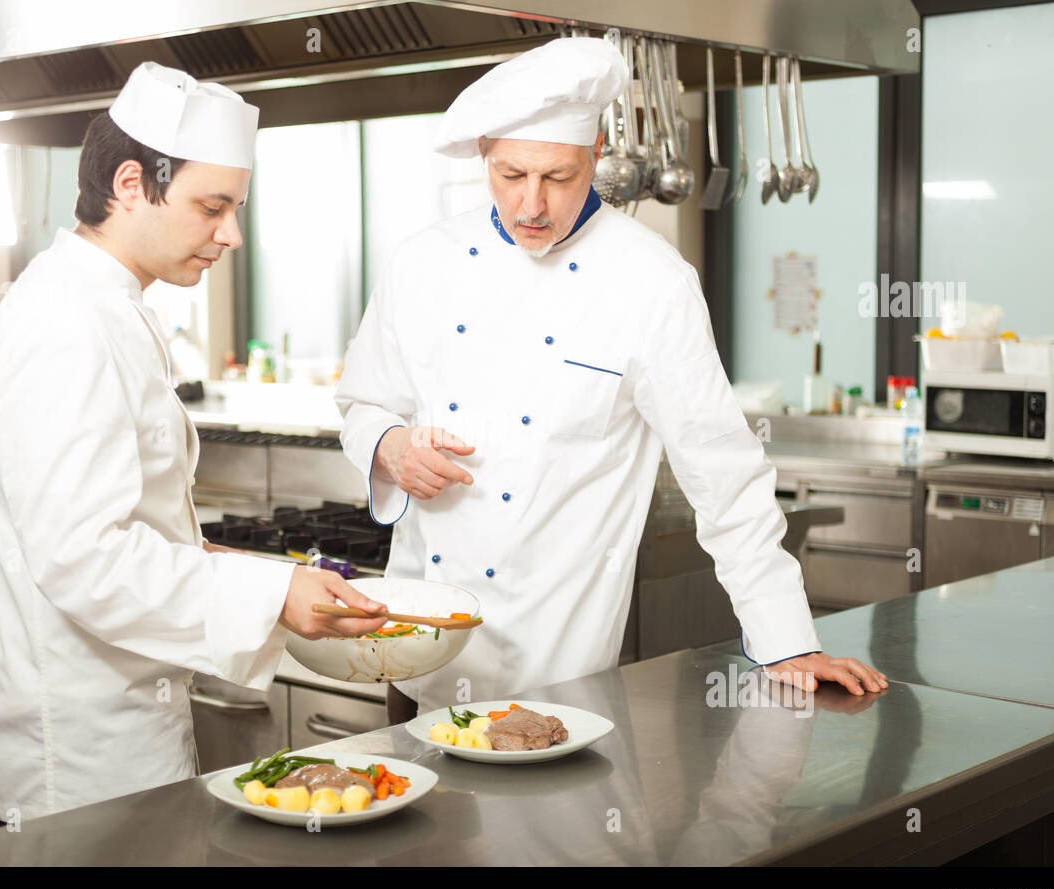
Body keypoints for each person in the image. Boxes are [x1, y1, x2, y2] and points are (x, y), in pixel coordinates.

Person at [334, 38, 885, 722]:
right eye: (510, 175)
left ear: (596, 154)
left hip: (562, 677)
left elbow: (722, 469)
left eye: (558, 178)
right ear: (484, 156)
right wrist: (388, 447)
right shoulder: (420, 264)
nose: (531, 204)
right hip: (422, 656)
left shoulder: (651, 283)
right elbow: (361, 405)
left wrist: (785, 643)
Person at [0, 62, 386, 821]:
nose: (230, 234)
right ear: (131, 184)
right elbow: (85, 557)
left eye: (236, 207)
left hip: (119, 731)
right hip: (79, 760)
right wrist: (271, 592)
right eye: (211, 206)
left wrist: (259, 574)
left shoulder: (107, 306)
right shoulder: (65, 326)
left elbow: (130, 526)